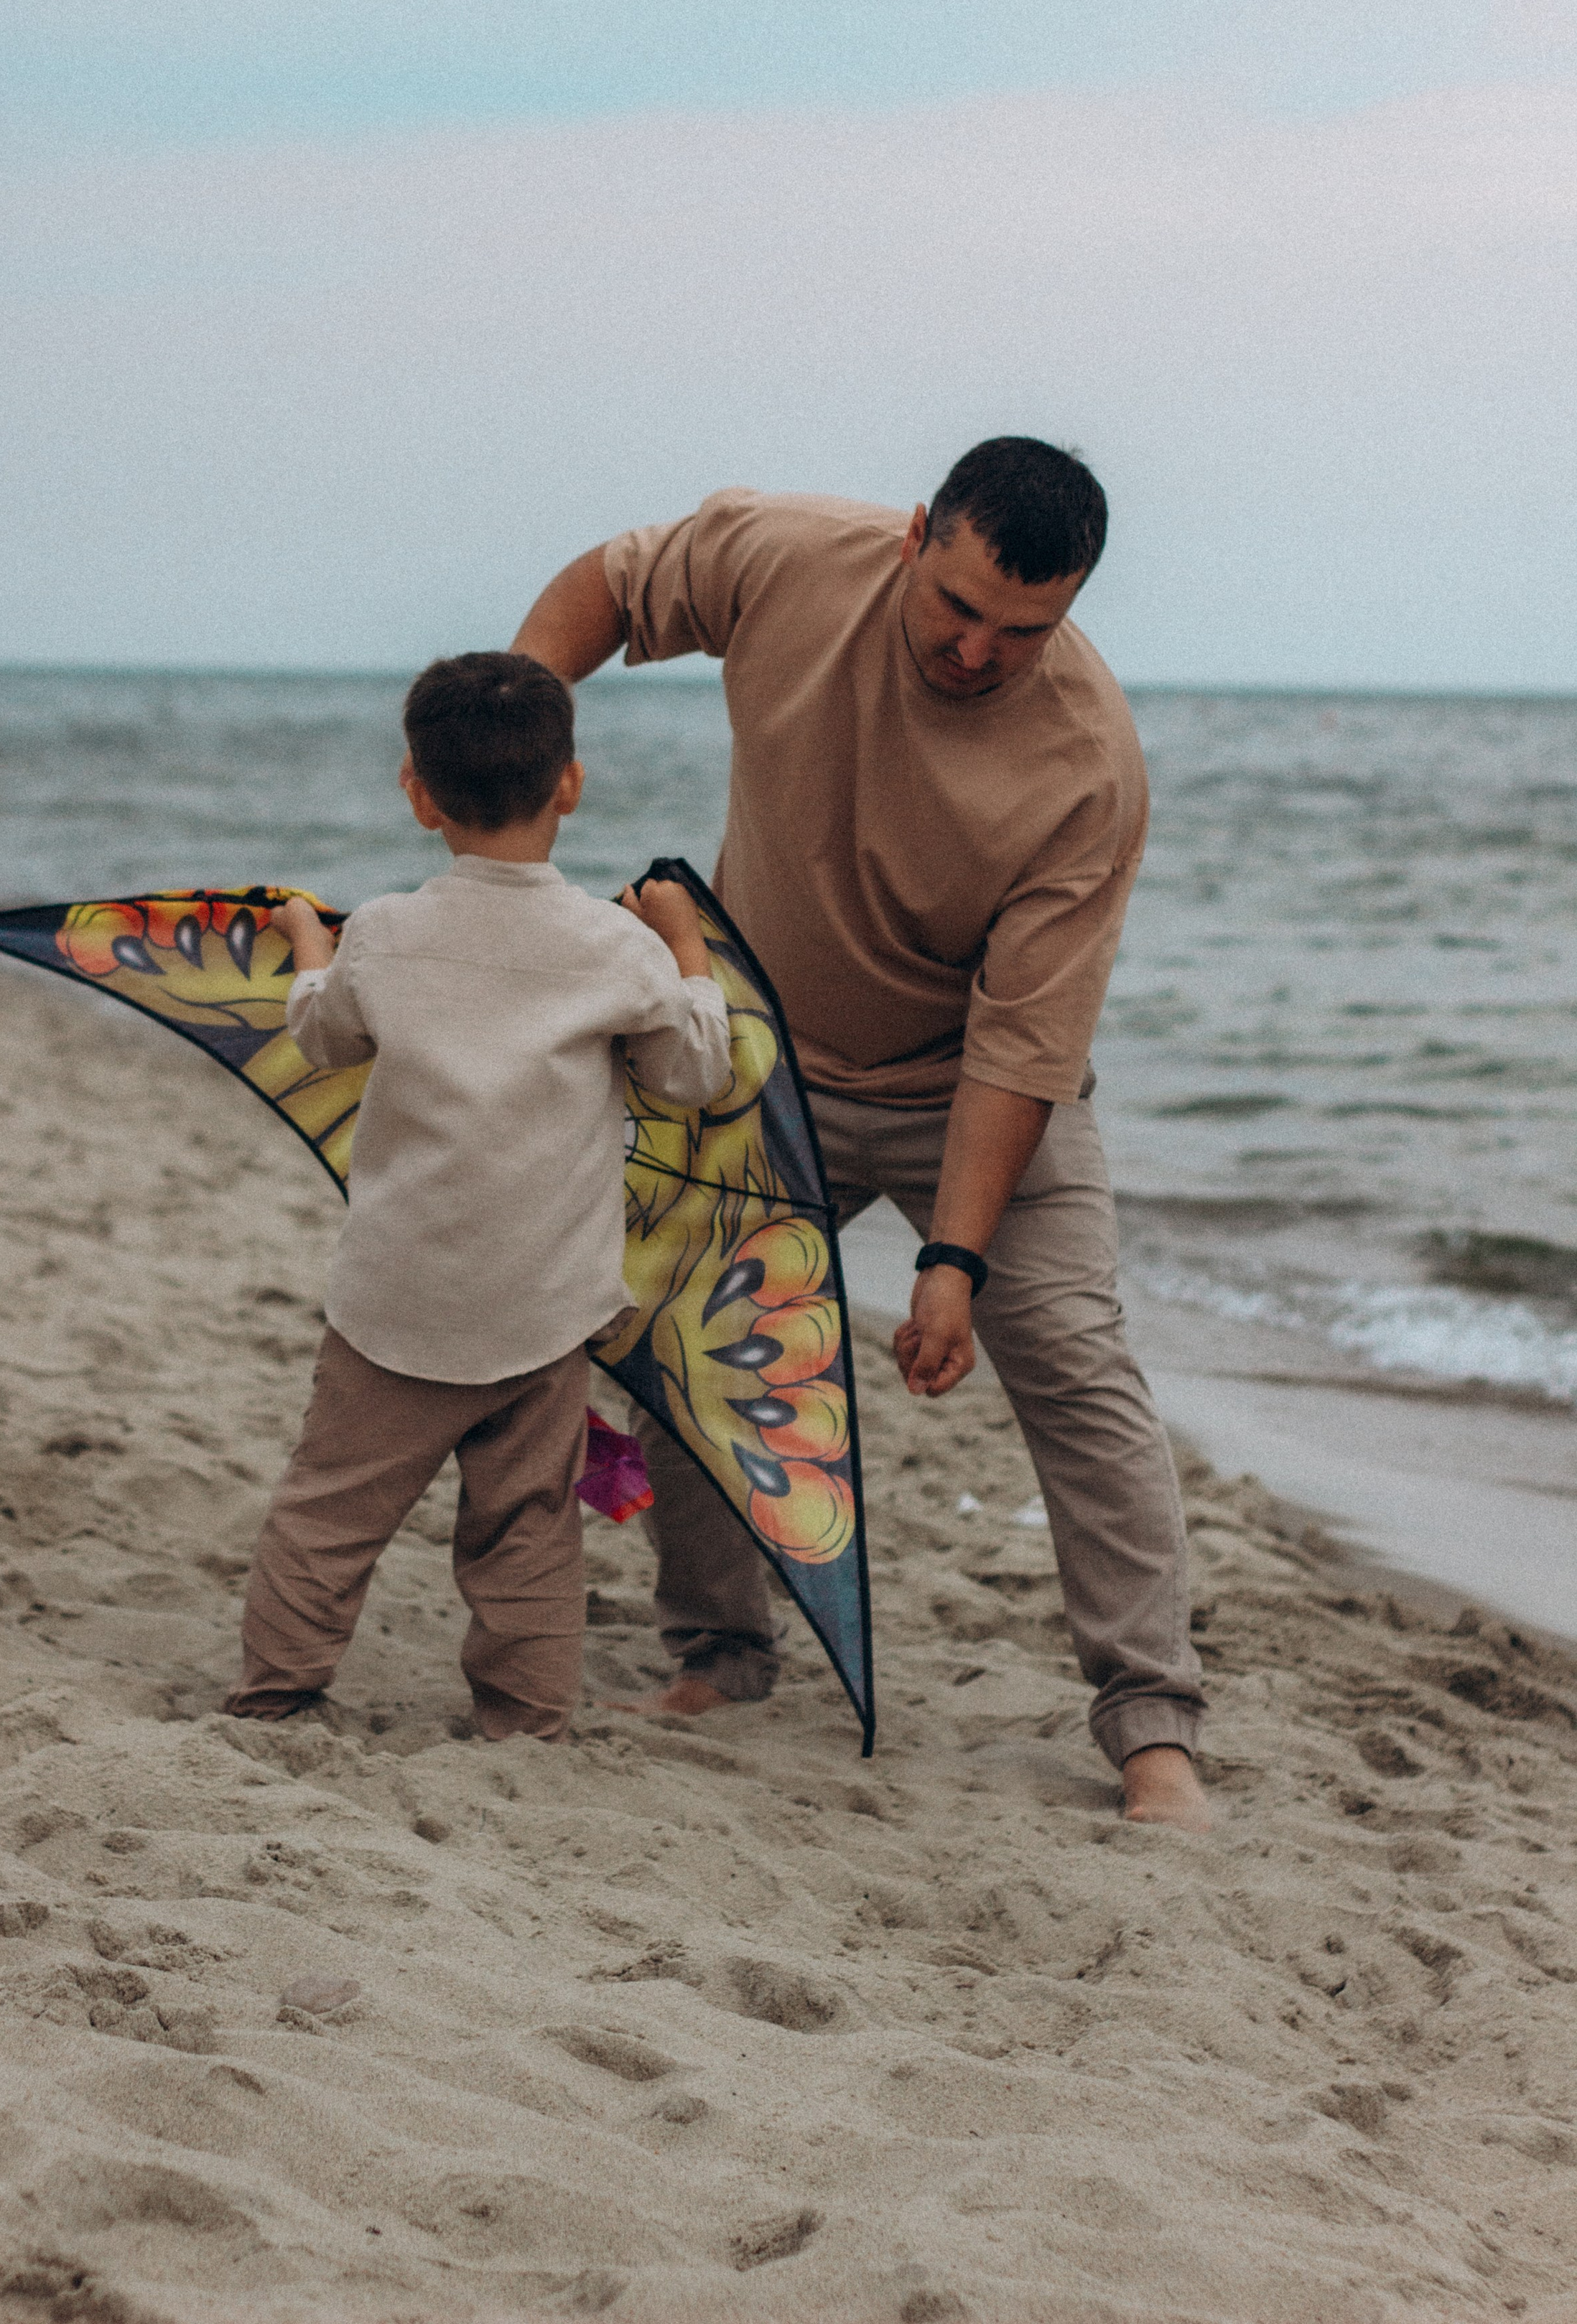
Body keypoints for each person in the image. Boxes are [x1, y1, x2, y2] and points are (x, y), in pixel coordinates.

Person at [512, 440, 1211, 1828]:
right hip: (764, 1055)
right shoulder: (788, 559)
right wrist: (522, 737)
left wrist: (952, 1260)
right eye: (957, 605)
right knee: (684, 1327)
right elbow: (613, 585)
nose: (976, 649)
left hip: (977, 1091)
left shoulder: (1089, 766)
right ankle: (721, 1656)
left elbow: (1024, 1047)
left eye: (1026, 629)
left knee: (1073, 1363)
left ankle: (1153, 1729)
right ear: (914, 538)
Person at [222, 650, 730, 1742]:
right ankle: (524, 1714)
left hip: (394, 1299)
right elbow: (695, 1074)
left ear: (416, 792)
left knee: (329, 1513)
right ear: (570, 785)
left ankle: (277, 1695)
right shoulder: (616, 947)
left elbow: (321, 1033)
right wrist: (687, 947)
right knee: (528, 1527)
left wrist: (314, 947)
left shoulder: (390, 936)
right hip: (541, 1307)